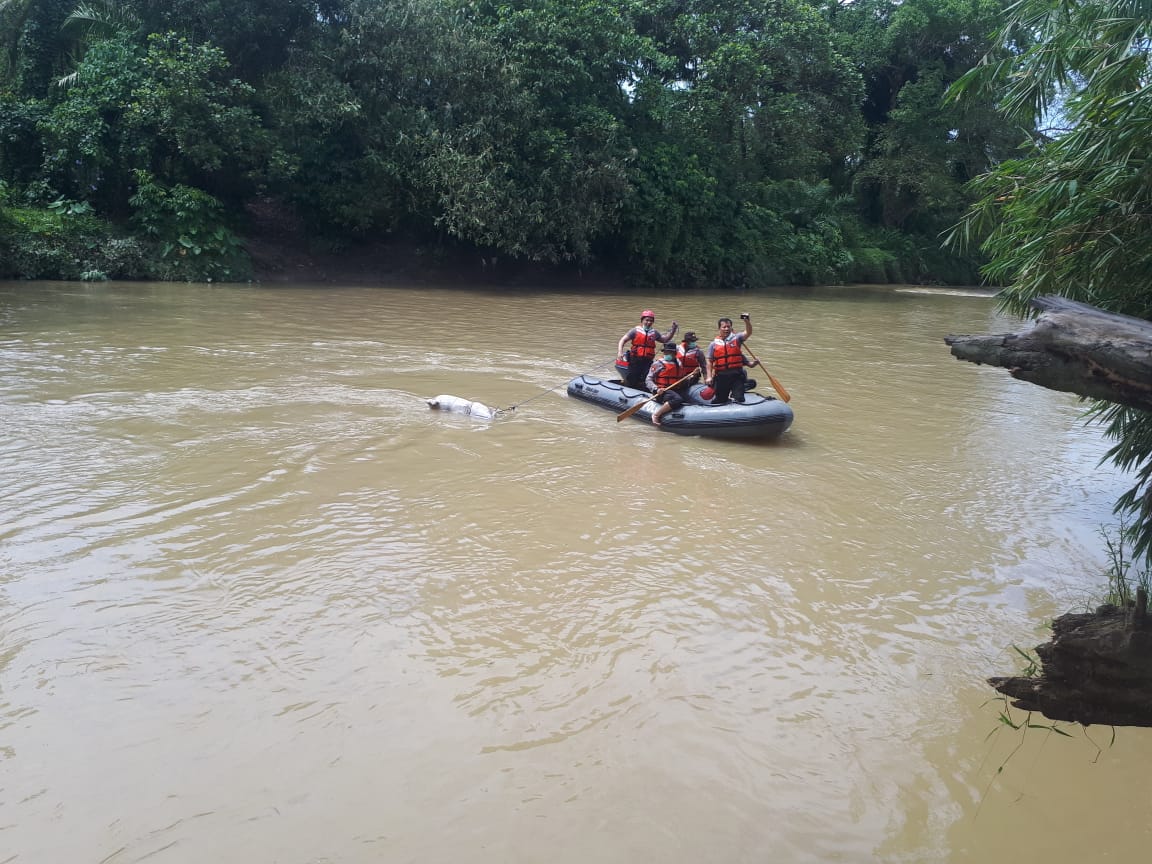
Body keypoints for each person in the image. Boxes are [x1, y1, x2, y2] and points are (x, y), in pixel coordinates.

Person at [618, 309, 677, 389]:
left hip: (647, 360)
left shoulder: (654, 333)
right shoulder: (635, 331)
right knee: (632, 378)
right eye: (647, 320)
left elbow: (665, 340)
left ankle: (644, 390)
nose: (649, 322)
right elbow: (623, 340)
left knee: (646, 378)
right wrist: (620, 352)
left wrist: (673, 330)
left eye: (651, 321)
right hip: (635, 359)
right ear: (642, 320)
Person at [705, 313, 753, 404]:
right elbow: (709, 361)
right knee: (720, 400)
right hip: (721, 376)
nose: (726, 329)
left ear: (731, 328)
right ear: (719, 328)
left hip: (736, 375)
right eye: (724, 327)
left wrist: (747, 322)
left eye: (728, 327)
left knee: (739, 398)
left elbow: (748, 332)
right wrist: (709, 376)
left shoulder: (737, 338)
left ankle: (741, 389)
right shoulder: (713, 344)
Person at [646, 342, 697, 425]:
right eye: (666, 352)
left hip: (675, 389)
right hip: (662, 391)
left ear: (675, 353)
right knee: (677, 399)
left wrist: (692, 375)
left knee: (690, 397)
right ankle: (656, 415)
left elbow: (682, 379)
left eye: (670, 352)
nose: (668, 354)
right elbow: (648, 379)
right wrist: (656, 389)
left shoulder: (679, 363)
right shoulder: (658, 364)